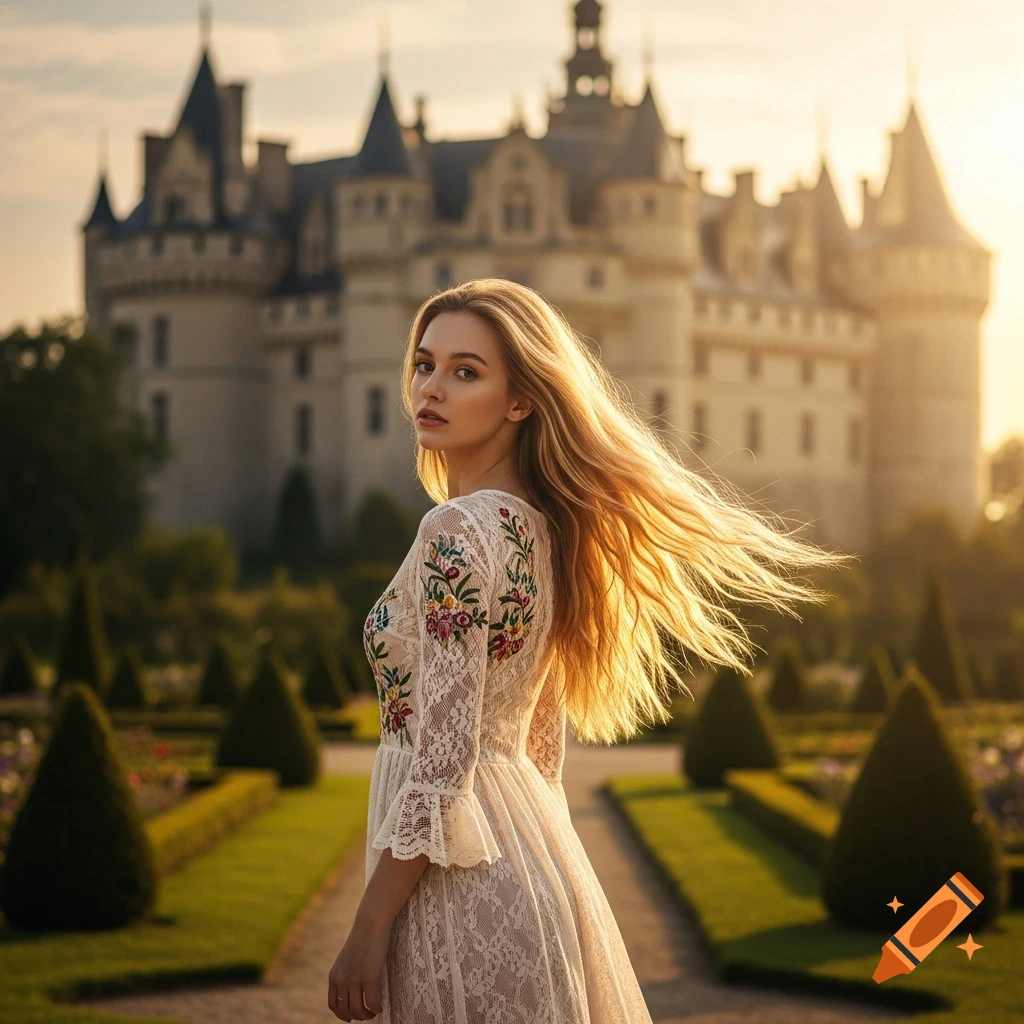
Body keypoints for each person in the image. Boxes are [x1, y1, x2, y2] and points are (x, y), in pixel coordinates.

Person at [327, 277, 853, 1022]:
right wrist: (546, 857)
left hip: (456, 888)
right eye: (424, 364)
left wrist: (369, 924)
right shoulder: (548, 535)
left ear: (521, 401)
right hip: (532, 863)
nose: (431, 388)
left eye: (465, 371)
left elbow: (441, 762)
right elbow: (541, 743)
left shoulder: (453, 532)